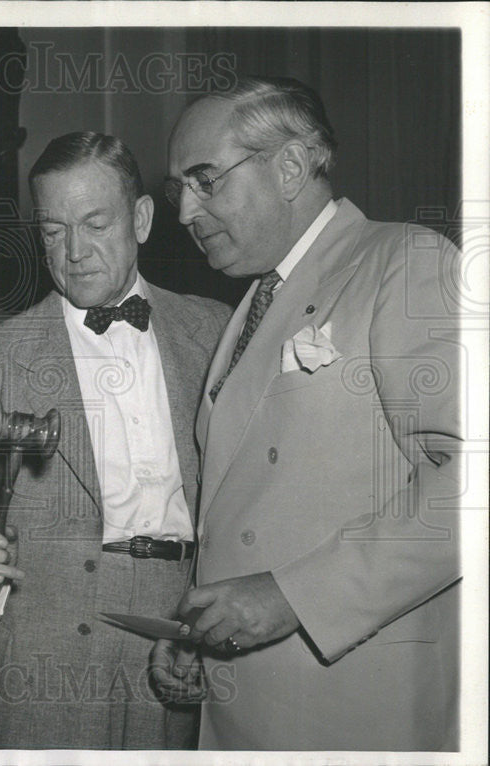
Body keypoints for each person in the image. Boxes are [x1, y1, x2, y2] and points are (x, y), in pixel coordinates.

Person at [152, 75, 461, 750]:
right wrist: (201, 637)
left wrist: (295, 596)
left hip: (355, 708)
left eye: (206, 180)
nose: (184, 212)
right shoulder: (252, 304)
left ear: (291, 165)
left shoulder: (403, 262)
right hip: (251, 705)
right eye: (178, 188)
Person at [0, 132, 232, 749]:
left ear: (142, 219)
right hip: (44, 651)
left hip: (182, 636)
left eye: (95, 223)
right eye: (52, 230)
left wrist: (215, 628)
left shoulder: (218, 331)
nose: (74, 252)